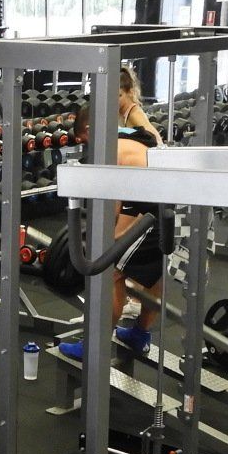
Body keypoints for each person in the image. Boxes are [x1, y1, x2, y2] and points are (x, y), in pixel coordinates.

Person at [57, 105, 171, 361]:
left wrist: (101, 246)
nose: (86, 146)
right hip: (173, 202)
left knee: (110, 269)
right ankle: (139, 334)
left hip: (156, 207)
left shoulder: (111, 150)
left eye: (84, 140)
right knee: (153, 274)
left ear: (89, 129)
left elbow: (115, 209)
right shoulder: (133, 136)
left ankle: (94, 347)